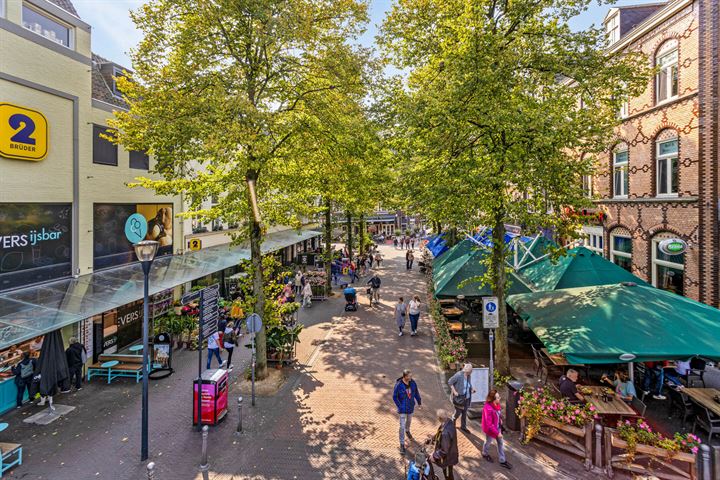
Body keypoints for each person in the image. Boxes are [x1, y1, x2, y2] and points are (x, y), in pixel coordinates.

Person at [393, 369, 422, 454]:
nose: (411, 378)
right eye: (409, 376)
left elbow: (416, 392)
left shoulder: (412, 383)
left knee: (409, 421)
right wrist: (400, 406)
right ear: (405, 376)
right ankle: (402, 444)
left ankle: (407, 430)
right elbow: (394, 397)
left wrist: (419, 402)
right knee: (401, 426)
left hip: (410, 407)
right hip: (402, 409)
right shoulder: (398, 385)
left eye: (411, 376)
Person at [481, 389, 512, 469]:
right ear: (493, 399)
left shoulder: (496, 404)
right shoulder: (488, 409)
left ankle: (502, 461)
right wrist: (497, 433)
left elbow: (497, 413)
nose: (500, 398)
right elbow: (489, 424)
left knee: (500, 443)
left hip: (497, 427)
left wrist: (500, 419)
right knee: (488, 442)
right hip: (490, 430)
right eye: (498, 397)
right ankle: (485, 453)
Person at [431, 409, 459, 480]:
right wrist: (433, 438)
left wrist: (434, 456)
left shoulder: (445, 433)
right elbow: (440, 431)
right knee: (450, 471)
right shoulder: (449, 422)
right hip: (452, 454)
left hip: (447, 459)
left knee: (448, 475)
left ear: (439, 419)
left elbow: (444, 450)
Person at [448, 363, 476, 432]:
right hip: (459, 398)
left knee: (464, 412)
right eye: (470, 371)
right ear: (467, 371)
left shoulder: (469, 376)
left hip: (467, 398)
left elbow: (469, 384)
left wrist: (472, 389)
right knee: (458, 412)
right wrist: (454, 392)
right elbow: (450, 382)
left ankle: (463, 426)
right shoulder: (459, 375)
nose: (471, 373)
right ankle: (453, 419)